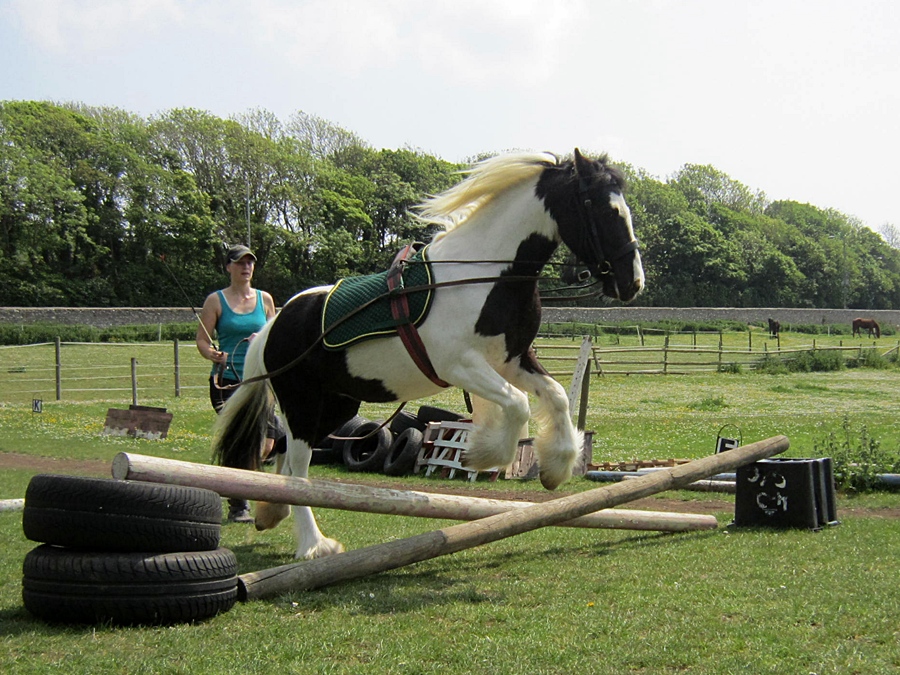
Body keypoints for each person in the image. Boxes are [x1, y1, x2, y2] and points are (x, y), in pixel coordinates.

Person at [196, 244, 279, 523]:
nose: (246, 267)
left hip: (259, 381)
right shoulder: (215, 301)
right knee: (241, 440)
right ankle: (238, 505)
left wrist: (263, 339)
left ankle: (240, 485)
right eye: (240, 262)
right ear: (228, 267)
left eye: (250, 262)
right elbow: (202, 339)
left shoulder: (265, 299)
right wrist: (212, 354)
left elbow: (275, 334)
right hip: (228, 380)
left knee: (267, 443)